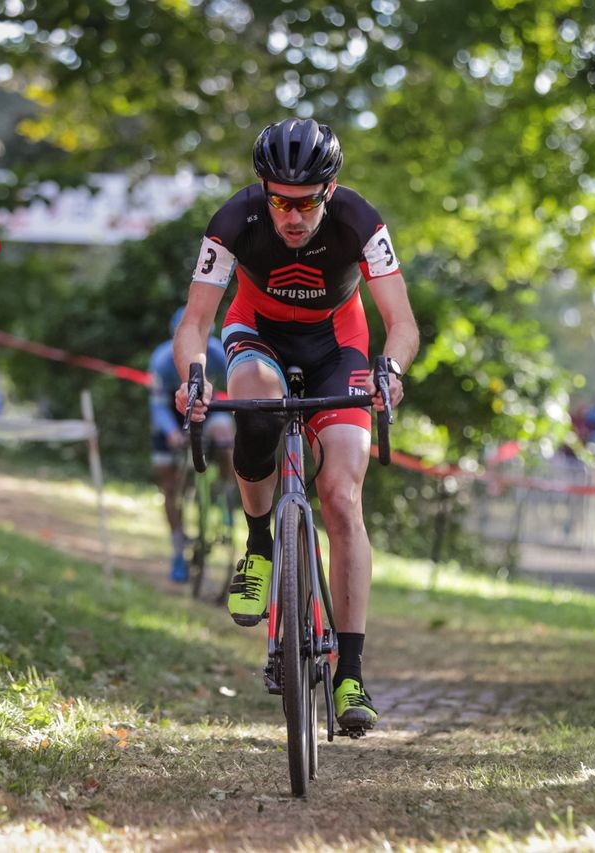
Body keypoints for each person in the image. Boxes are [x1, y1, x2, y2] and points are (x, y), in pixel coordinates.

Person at [174, 118, 418, 733]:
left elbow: (402, 322)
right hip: (257, 335)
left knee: (340, 495)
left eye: (306, 203)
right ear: (263, 188)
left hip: (340, 347)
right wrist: (193, 376)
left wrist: (390, 368)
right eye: (280, 200)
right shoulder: (234, 220)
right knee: (253, 392)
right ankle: (260, 544)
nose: (292, 216)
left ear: (329, 192)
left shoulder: (360, 221)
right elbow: (194, 324)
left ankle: (351, 673)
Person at [150, 306, 236, 583]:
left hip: (207, 406)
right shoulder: (162, 360)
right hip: (171, 412)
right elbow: (158, 406)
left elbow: (235, 387)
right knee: (169, 483)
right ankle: (178, 549)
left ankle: (224, 491)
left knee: (225, 436)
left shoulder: (217, 354)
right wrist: (172, 434)